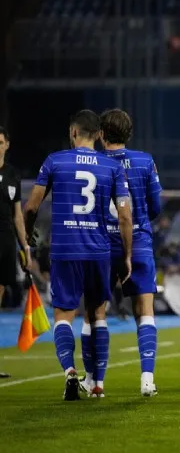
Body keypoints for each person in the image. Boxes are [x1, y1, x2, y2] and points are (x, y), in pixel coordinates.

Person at [23, 110, 133, 400]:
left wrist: (28, 235)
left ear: (73, 132)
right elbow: (124, 216)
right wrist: (127, 256)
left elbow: (31, 206)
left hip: (65, 249)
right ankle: (97, 384)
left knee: (63, 314)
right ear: (99, 134)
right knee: (97, 314)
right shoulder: (112, 167)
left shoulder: (55, 161)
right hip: (98, 251)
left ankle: (70, 371)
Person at [77, 109, 161, 398]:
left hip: (100, 244)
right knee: (144, 309)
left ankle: (94, 381)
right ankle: (147, 379)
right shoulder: (145, 161)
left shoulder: (95, 163)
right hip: (138, 242)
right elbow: (156, 206)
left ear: (101, 134)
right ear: (129, 133)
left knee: (95, 311)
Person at [0, 127, 31, 309]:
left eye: (0, 143)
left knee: (2, 284)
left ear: (7, 145)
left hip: (7, 238)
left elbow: (17, 214)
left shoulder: (13, 175)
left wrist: (25, 246)